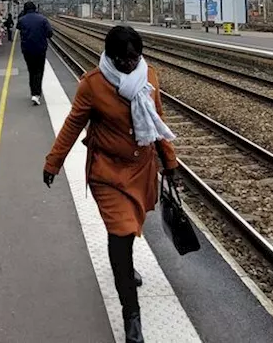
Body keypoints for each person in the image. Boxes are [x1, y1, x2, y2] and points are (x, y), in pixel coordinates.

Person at [42, 26, 178, 343]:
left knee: (130, 230)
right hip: (108, 172)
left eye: (135, 58)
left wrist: (169, 163)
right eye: (124, 59)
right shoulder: (93, 85)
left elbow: (158, 121)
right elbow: (73, 123)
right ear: (111, 56)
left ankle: (126, 271)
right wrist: (53, 161)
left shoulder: (149, 76)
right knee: (120, 235)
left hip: (140, 170)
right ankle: (132, 318)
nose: (131, 64)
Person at [15, 1, 53, 105]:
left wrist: (22, 15)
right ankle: (37, 93)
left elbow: (17, 27)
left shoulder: (22, 20)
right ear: (35, 8)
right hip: (40, 49)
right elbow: (50, 33)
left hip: (27, 50)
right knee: (39, 71)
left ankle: (33, 92)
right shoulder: (43, 19)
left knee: (31, 71)